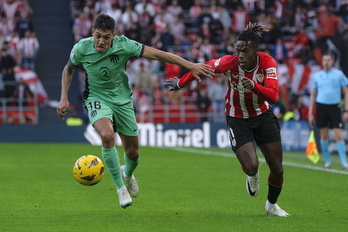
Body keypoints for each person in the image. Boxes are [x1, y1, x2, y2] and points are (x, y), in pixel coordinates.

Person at [56, 14, 214, 209]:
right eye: (98, 36)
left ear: (114, 35)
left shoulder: (125, 45)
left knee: (133, 153)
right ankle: (120, 189)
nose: (101, 41)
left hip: (122, 100)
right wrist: (64, 97)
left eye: (106, 37)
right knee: (107, 136)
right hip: (97, 98)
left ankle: (127, 174)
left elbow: (158, 54)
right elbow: (68, 69)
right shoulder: (82, 48)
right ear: (92, 33)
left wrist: (190, 65)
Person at [165, 23, 290, 217]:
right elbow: (203, 68)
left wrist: (255, 86)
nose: (240, 55)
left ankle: (271, 205)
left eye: (245, 51)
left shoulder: (268, 63)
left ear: (256, 51)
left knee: (278, 170)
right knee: (251, 166)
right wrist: (181, 83)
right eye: (238, 50)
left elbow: (273, 96)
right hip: (237, 118)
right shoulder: (228, 63)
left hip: (263, 115)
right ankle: (252, 175)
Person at [308, 53, 348, 170]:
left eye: (328, 60)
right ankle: (327, 162)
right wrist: (311, 112)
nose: (326, 62)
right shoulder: (317, 76)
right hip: (321, 106)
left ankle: (344, 163)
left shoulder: (339, 74)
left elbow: (346, 92)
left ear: (332, 61)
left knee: (338, 135)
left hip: (335, 107)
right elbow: (313, 95)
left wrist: (346, 110)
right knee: (323, 135)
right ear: (322, 61)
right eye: (324, 60)